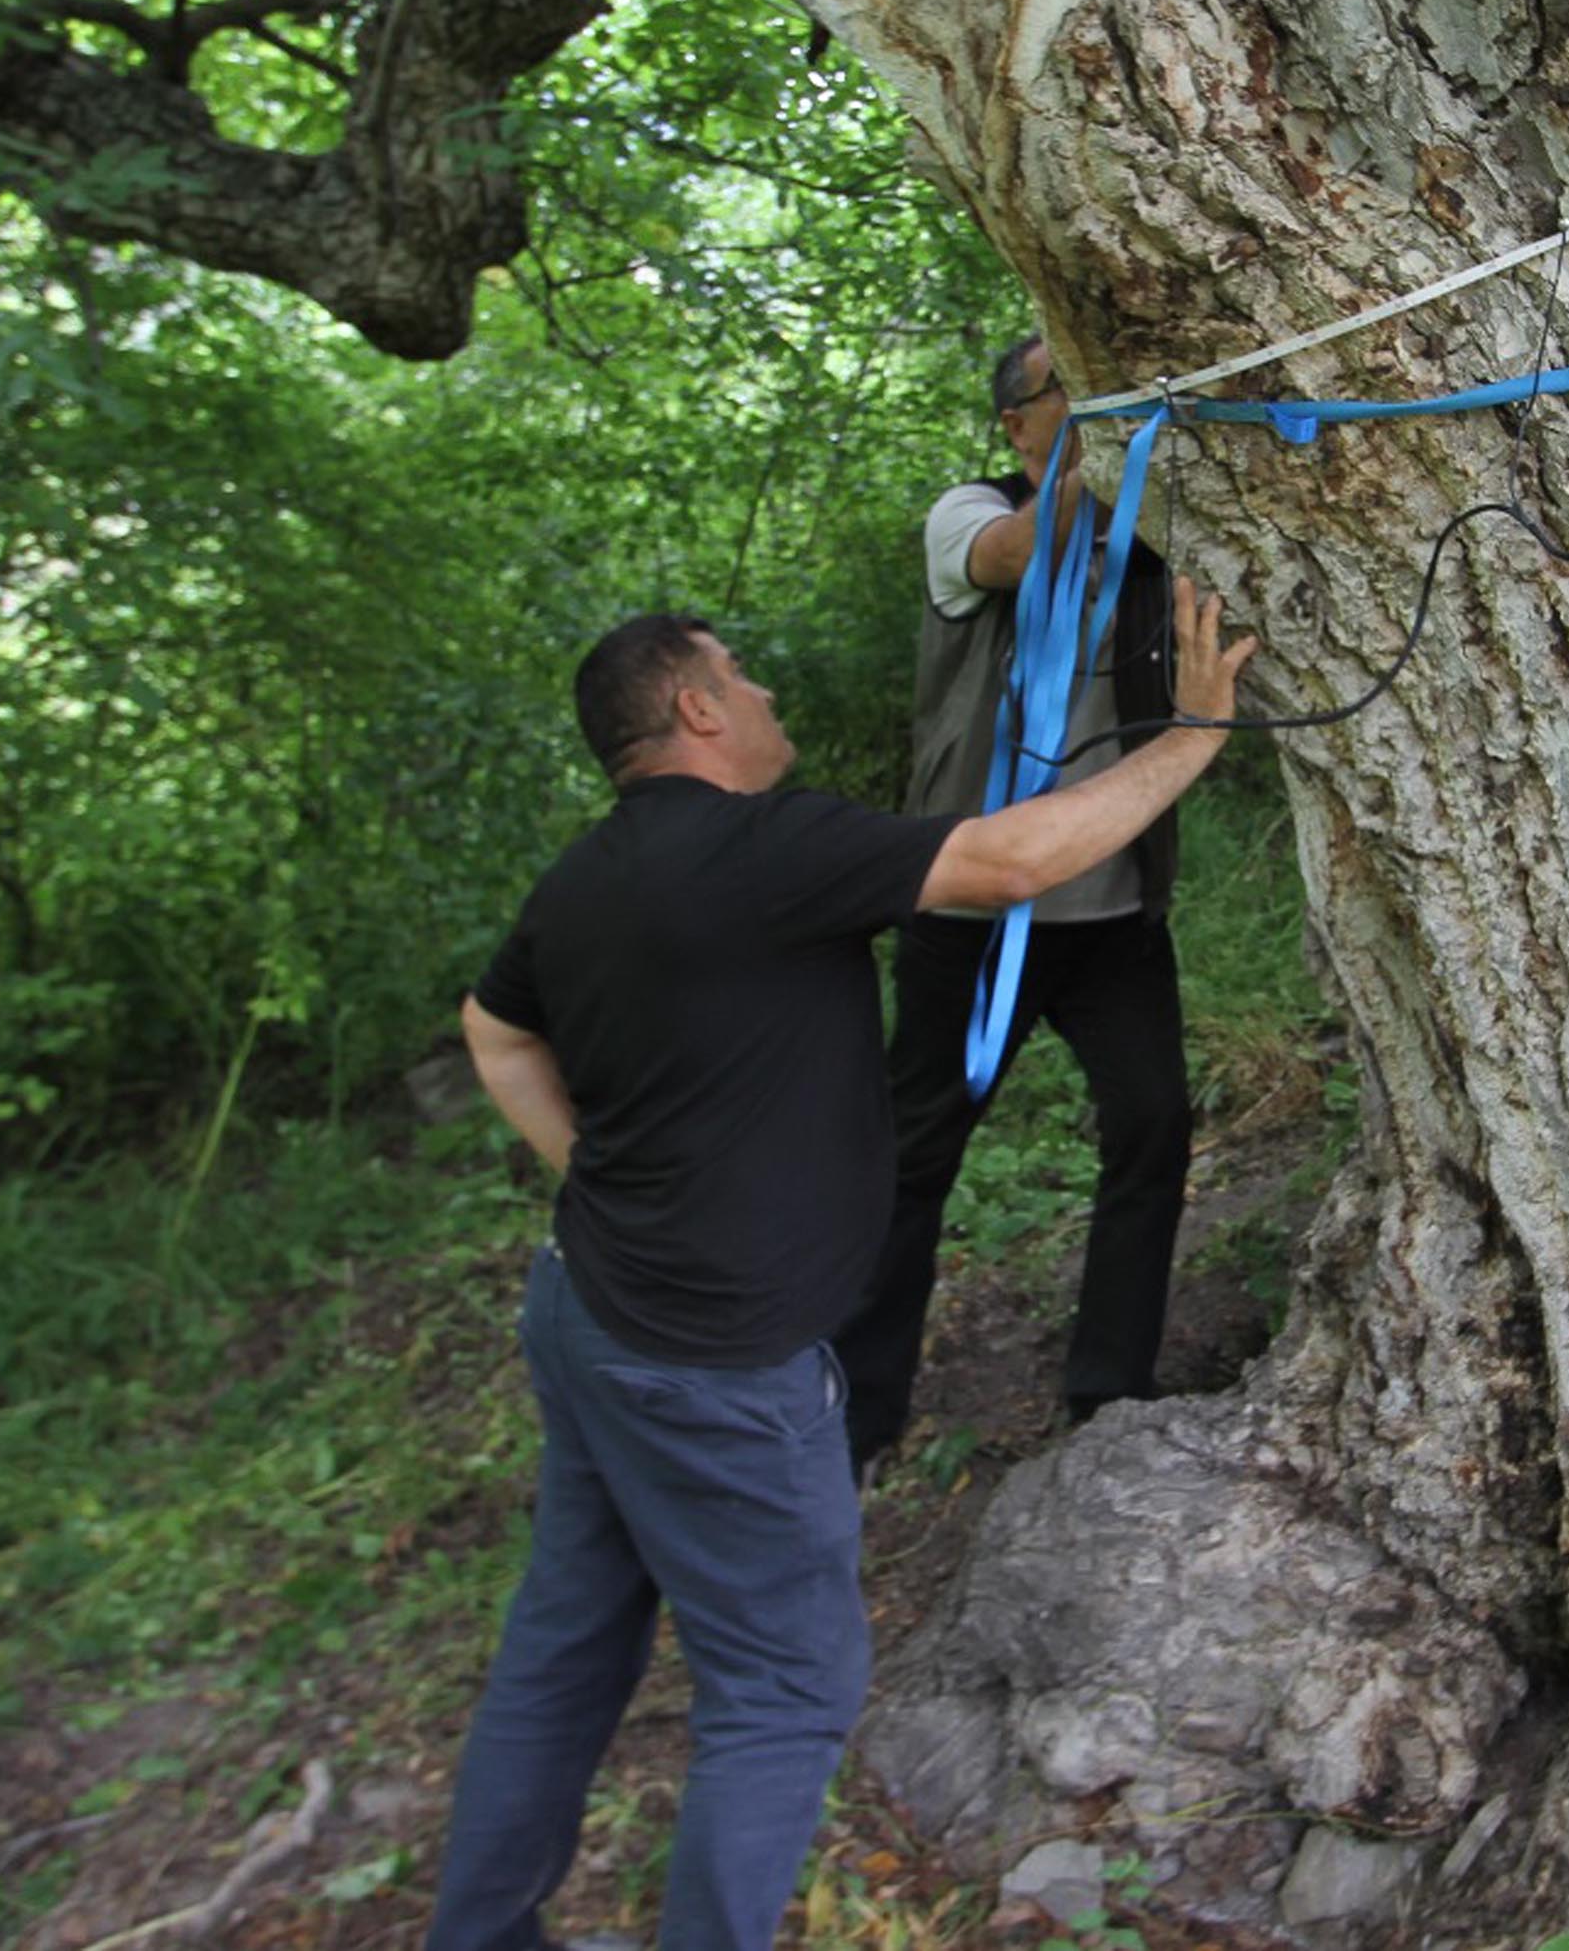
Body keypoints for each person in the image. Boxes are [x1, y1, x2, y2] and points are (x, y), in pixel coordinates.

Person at [424, 584, 1254, 1951]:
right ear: (693, 709)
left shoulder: (587, 878)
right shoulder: (759, 847)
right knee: (786, 1687)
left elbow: (493, 1030)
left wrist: (592, 1179)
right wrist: (1193, 735)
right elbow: (1009, 863)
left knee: (565, 1647)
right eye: (742, 679)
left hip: (586, 1311)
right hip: (713, 1360)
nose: (767, 699)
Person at [835, 334, 1192, 1479]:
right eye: (1066, 396)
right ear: (1017, 425)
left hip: (1112, 913)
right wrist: (1121, 428)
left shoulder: (1152, 535)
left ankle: (1108, 1389)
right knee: (913, 1156)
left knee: (1152, 1127)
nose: (1086, 412)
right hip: (971, 905)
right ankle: (855, 1415)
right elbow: (1018, 550)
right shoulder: (966, 513)